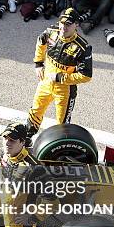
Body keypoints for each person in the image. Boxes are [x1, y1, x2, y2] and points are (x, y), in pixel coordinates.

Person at [25, 8, 92, 140]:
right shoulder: (51, 32)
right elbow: (41, 42)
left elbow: (86, 76)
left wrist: (61, 77)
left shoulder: (83, 47)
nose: (64, 27)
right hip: (45, 83)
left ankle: (60, 148)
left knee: (62, 124)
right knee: (35, 111)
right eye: (62, 23)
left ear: (76, 24)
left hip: (65, 89)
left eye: (68, 24)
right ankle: (27, 137)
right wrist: (38, 63)